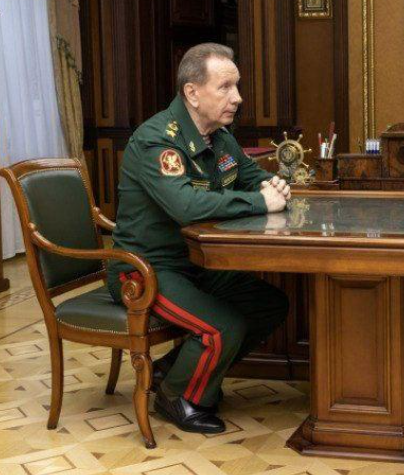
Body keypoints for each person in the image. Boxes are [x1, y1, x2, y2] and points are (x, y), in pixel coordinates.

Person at [107, 43, 291, 434]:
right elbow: (186, 206)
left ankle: (173, 370)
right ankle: (177, 397)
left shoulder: (219, 137)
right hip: (144, 269)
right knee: (222, 327)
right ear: (192, 92)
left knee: (268, 304)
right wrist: (260, 201)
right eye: (225, 87)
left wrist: (273, 185)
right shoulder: (157, 140)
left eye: (236, 86)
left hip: (195, 262)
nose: (237, 98)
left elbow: (251, 177)